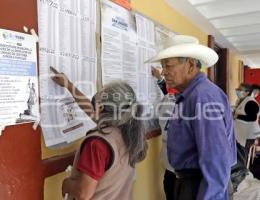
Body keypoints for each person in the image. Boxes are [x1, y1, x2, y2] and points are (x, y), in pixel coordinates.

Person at [146, 35, 237, 200]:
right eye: (162, 66)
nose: (163, 71)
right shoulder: (192, 94)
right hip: (192, 182)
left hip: (200, 185)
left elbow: (216, 161)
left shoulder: (203, 97)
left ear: (190, 65)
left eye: (168, 65)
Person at [50, 67, 147, 200]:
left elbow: (83, 193)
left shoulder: (97, 143)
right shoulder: (127, 131)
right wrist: (69, 85)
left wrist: (66, 184)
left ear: (100, 108)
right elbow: (92, 112)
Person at [151, 66, 177, 200]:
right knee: (168, 189)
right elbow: (167, 91)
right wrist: (159, 78)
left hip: (185, 170)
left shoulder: (192, 101)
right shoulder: (169, 97)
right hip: (169, 164)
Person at [233, 83, 260, 152]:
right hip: (242, 134)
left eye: (240, 90)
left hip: (248, 135)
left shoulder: (251, 102)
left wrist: (237, 116)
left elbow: (252, 118)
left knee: (244, 155)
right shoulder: (243, 101)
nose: (238, 91)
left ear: (247, 92)